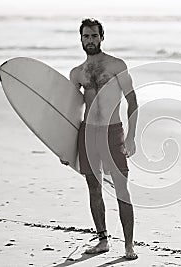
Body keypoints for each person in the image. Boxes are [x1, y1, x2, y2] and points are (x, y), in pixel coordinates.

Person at [62, 18, 138, 260]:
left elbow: (133, 101)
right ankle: (103, 240)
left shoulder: (116, 65)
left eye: (94, 36)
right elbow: (70, 113)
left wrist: (132, 137)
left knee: (122, 190)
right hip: (88, 134)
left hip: (112, 131)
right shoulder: (76, 74)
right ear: (81, 40)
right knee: (94, 188)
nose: (90, 40)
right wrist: (64, 147)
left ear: (102, 37)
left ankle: (128, 246)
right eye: (86, 36)